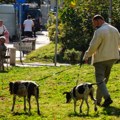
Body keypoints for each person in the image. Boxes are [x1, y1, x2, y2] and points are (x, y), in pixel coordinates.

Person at [83, 14, 120, 107]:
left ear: (98, 21)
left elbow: (93, 46)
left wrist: (86, 56)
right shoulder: (115, 29)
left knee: (99, 80)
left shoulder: (99, 31)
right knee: (104, 80)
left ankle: (107, 98)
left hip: (101, 59)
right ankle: (98, 101)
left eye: (94, 23)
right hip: (113, 57)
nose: (93, 25)